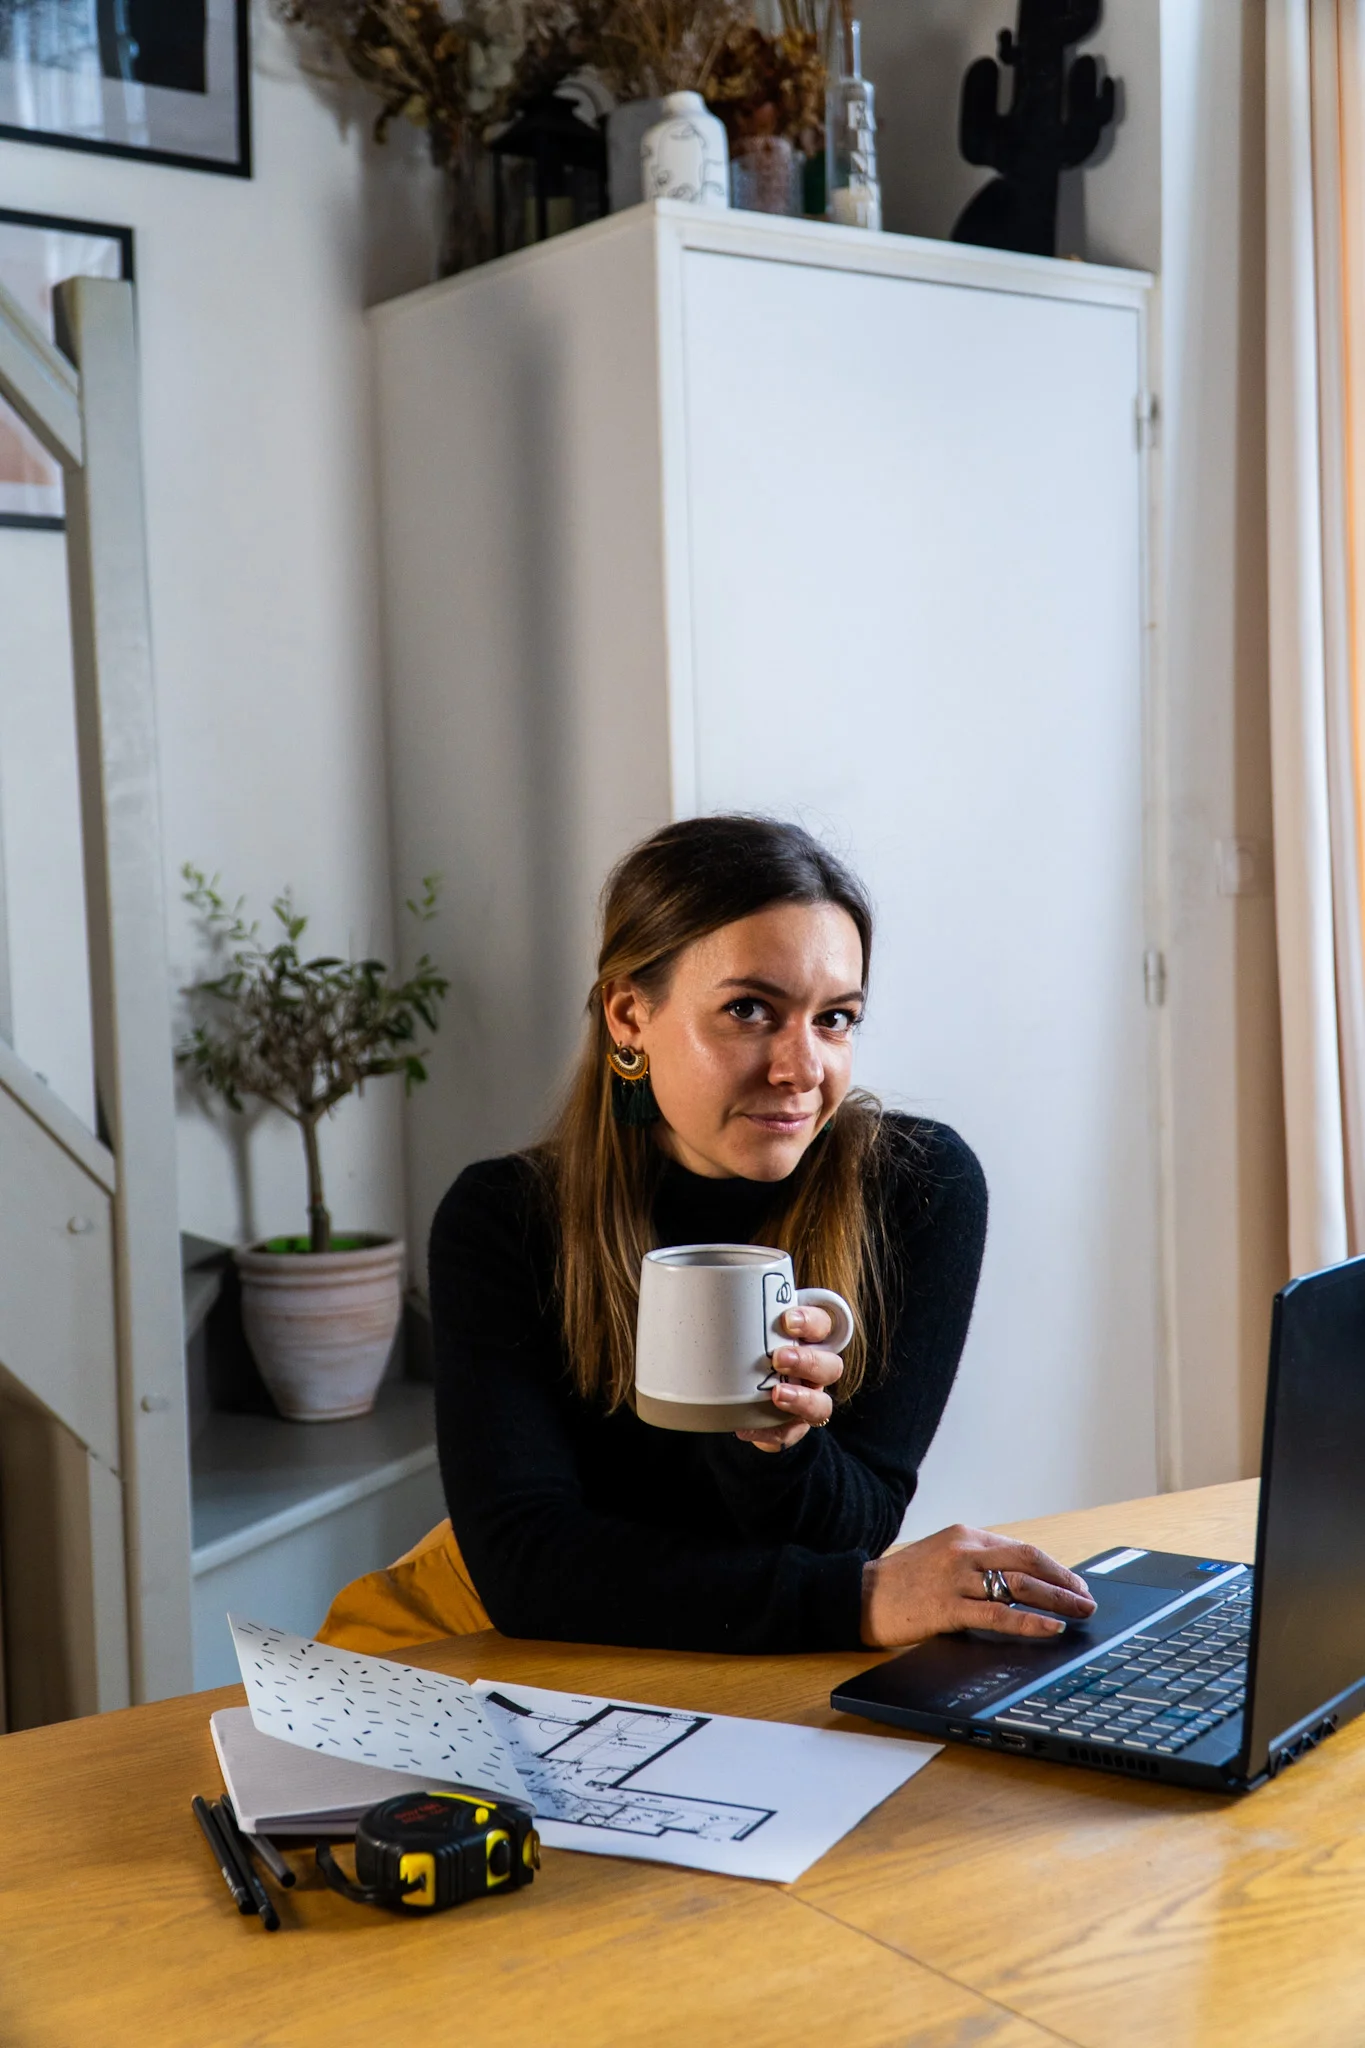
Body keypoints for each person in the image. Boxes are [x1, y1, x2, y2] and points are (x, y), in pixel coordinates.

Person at [320, 815, 1095, 1656]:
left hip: (737, 1650)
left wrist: (778, 1445)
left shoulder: (915, 1186)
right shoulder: (505, 1218)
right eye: (748, 1010)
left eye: (835, 1018)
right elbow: (527, 1567)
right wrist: (853, 1601)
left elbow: (855, 1529)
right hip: (494, 1640)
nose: (802, 1069)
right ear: (629, 1015)